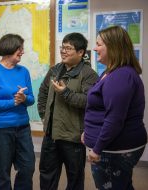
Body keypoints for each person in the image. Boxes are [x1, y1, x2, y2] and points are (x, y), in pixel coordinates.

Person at [83, 25, 147, 190]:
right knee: (123, 186)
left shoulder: (120, 76)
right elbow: (100, 109)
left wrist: (97, 148)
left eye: (99, 44)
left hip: (115, 149)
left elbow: (115, 119)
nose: (95, 48)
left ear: (113, 46)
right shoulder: (111, 72)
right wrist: (88, 132)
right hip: (113, 146)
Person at [38, 32, 98, 190]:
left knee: (75, 178)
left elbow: (88, 101)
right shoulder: (55, 70)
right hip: (51, 135)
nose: (63, 51)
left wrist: (65, 93)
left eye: (68, 48)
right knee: (47, 175)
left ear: (80, 52)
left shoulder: (88, 74)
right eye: (62, 47)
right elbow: (43, 93)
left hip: (73, 138)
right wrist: (45, 116)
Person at [0, 33, 35, 190]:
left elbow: (31, 99)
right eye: (20, 48)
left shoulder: (23, 71)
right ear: (10, 47)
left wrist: (23, 98)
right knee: (2, 175)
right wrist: (13, 102)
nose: (22, 52)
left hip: (22, 128)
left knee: (27, 168)